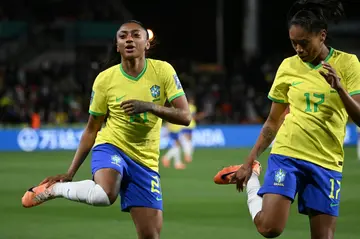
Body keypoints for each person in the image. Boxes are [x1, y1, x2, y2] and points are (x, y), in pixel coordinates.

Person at [21, 20, 191, 239]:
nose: (129, 39)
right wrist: (70, 173)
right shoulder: (105, 80)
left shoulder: (163, 71)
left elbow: (185, 116)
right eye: (123, 36)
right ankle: (55, 190)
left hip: (145, 160)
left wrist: (148, 106)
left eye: (135, 35)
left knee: (150, 236)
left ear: (146, 44)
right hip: (112, 146)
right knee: (105, 194)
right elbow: (92, 129)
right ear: (117, 45)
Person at [214, 1, 360, 238]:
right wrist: (248, 162)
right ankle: (254, 181)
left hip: (327, 161)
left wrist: (341, 89)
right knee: (269, 227)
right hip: (288, 154)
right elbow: (272, 121)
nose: (299, 49)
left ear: (322, 36)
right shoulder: (288, 67)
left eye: (304, 43)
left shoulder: (348, 64)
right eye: (294, 43)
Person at [180, 93, 206, 163]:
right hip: (190, 125)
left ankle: (187, 155)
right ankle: (187, 155)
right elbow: (193, 117)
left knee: (187, 140)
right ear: (191, 100)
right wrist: (201, 115)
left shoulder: (184, 106)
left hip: (184, 125)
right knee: (188, 141)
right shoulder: (192, 107)